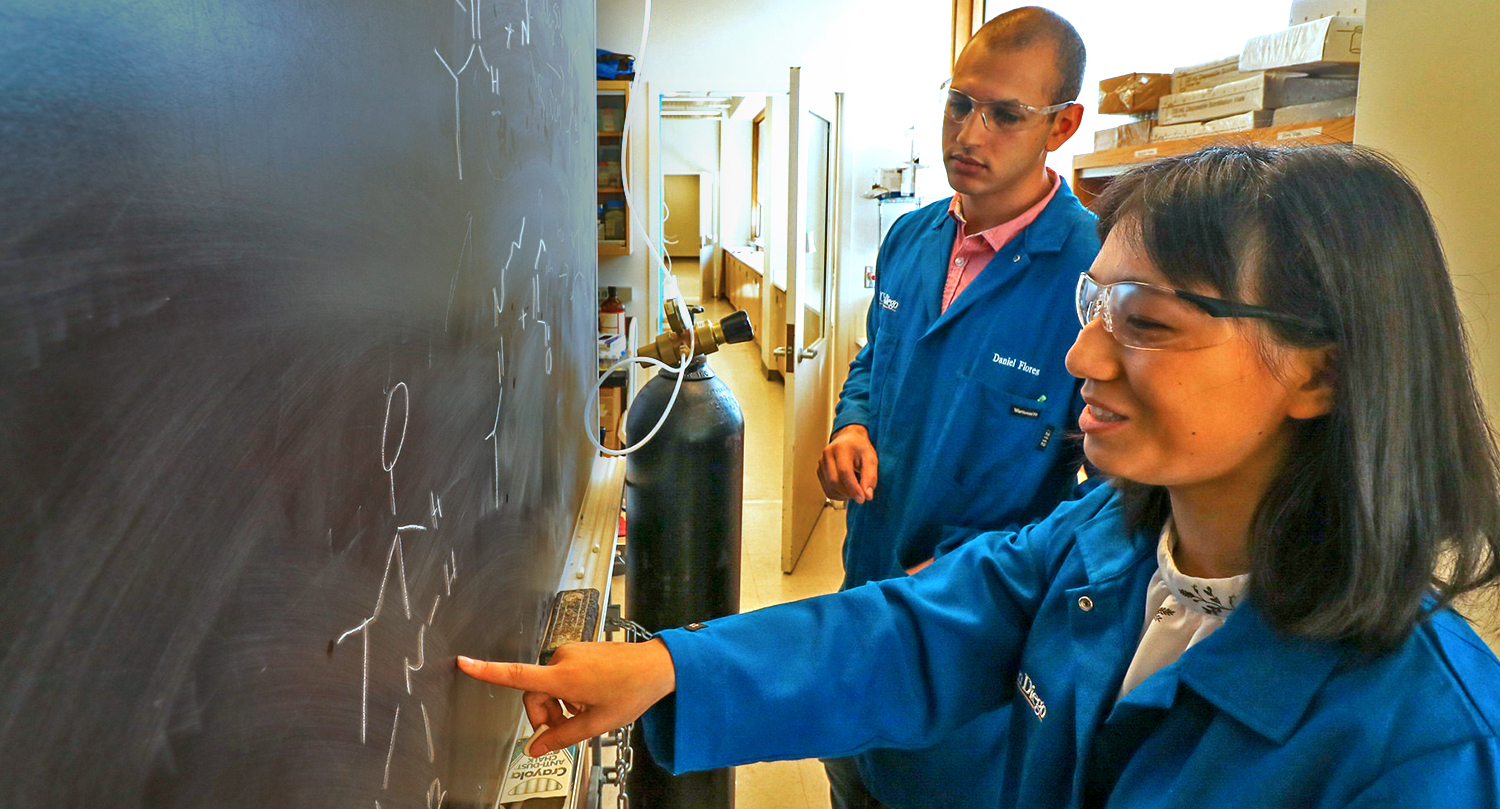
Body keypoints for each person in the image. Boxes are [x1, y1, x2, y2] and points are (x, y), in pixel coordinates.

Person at [460, 144, 1500, 807]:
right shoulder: (1102, 546)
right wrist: (666, 667)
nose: (1084, 358)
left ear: (1319, 364)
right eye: (1096, 306)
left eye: (1148, 323)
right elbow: (902, 631)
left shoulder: (1424, 743)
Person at [814, 7, 1097, 805]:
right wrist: (852, 421)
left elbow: (1124, 491)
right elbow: (876, 356)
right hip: (865, 594)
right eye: (959, 103)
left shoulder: (1095, 275)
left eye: (1006, 114)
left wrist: (997, 559)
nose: (969, 133)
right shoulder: (910, 238)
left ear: (1062, 125)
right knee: (853, 775)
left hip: (969, 638)